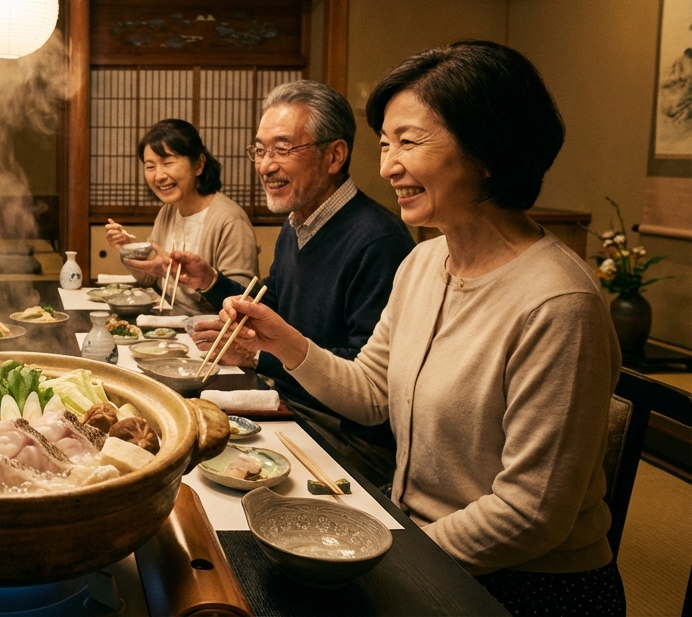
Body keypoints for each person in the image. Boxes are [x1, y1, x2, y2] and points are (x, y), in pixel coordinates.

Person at [215, 41, 624, 616]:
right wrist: (282, 341)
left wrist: (388, 556)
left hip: (520, 585)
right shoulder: (424, 263)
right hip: (413, 533)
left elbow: (530, 516)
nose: (387, 167)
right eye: (385, 144)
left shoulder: (558, 303)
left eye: (409, 142)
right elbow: (372, 394)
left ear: (489, 148)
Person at [176, 80, 414, 487]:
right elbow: (277, 304)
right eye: (261, 150)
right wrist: (213, 284)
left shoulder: (378, 239)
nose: (266, 165)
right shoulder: (297, 224)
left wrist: (257, 355)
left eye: (283, 148)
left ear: (334, 155)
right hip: (290, 404)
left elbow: (370, 377)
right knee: (179, 430)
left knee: (193, 473)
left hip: (346, 437)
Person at [102, 119, 257, 315]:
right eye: (150, 166)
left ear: (198, 165)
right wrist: (127, 248)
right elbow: (149, 278)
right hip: (167, 327)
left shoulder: (230, 220)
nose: (158, 176)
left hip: (207, 335)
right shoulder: (168, 211)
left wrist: (174, 272)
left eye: (168, 163)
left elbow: (242, 302)